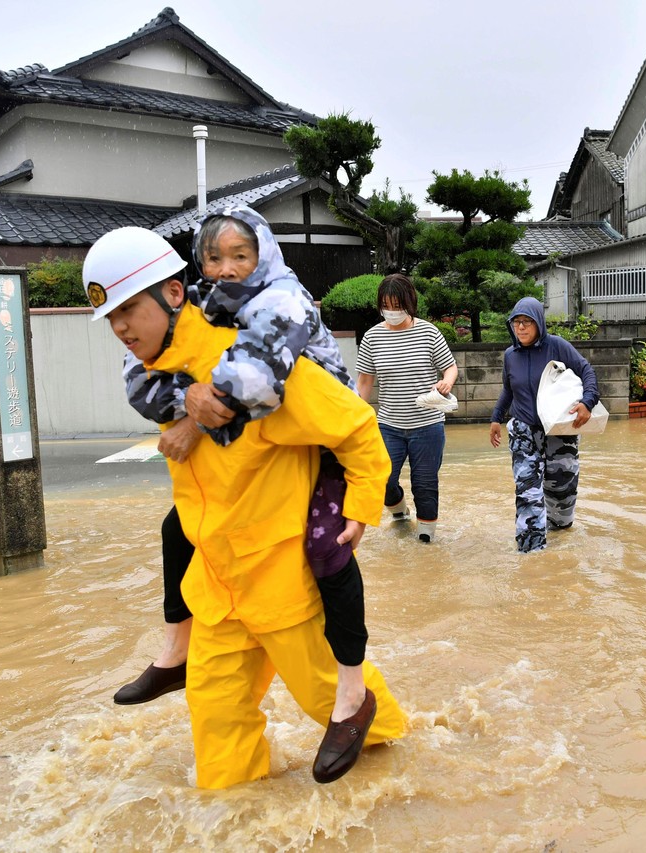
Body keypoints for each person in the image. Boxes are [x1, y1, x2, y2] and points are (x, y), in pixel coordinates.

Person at [85, 225, 404, 787]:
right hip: (217, 590)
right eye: (111, 317)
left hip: (284, 585)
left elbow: (355, 424)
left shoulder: (259, 366)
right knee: (217, 733)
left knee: (345, 712)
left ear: (173, 296)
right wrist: (186, 409)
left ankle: (407, 784)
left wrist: (360, 505)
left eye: (129, 309)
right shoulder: (162, 379)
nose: (120, 327)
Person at [489, 297, 599, 554]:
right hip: (523, 430)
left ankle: (559, 535)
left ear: (539, 322)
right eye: (516, 322)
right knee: (528, 493)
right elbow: (508, 389)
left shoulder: (557, 346)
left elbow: (587, 372)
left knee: (562, 491)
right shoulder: (510, 355)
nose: (522, 328)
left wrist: (587, 402)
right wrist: (496, 418)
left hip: (559, 430)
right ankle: (531, 554)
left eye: (527, 322)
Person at [355, 274, 458, 543]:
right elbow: (365, 380)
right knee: (383, 479)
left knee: (425, 484)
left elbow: (449, 366)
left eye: (397, 305)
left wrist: (446, 382)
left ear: (409, 303)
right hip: (389, 425)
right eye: (386, 305)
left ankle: (426, 538)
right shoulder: (372, 337)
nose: (391, 311)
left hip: (428, 425)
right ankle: (399, 511)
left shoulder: (428, 332)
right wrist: (354, 415)